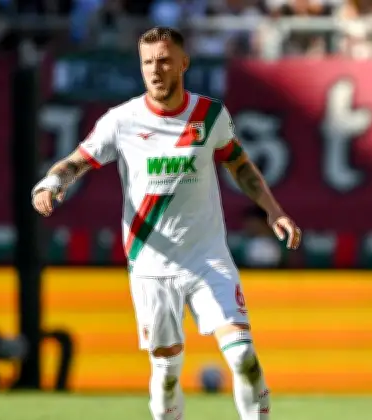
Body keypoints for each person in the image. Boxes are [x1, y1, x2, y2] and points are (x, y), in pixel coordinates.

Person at [31, 26, 301, 420]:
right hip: (151, 265)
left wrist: (273, 210)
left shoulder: (209, 115)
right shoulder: (121, 120)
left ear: (183, 63)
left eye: (163, 61)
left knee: (243, 354)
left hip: (207, 257)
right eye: (147, 63)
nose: (155, 70)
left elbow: (240, 165)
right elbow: (76, 161)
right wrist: (52, 183)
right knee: (167, 371)